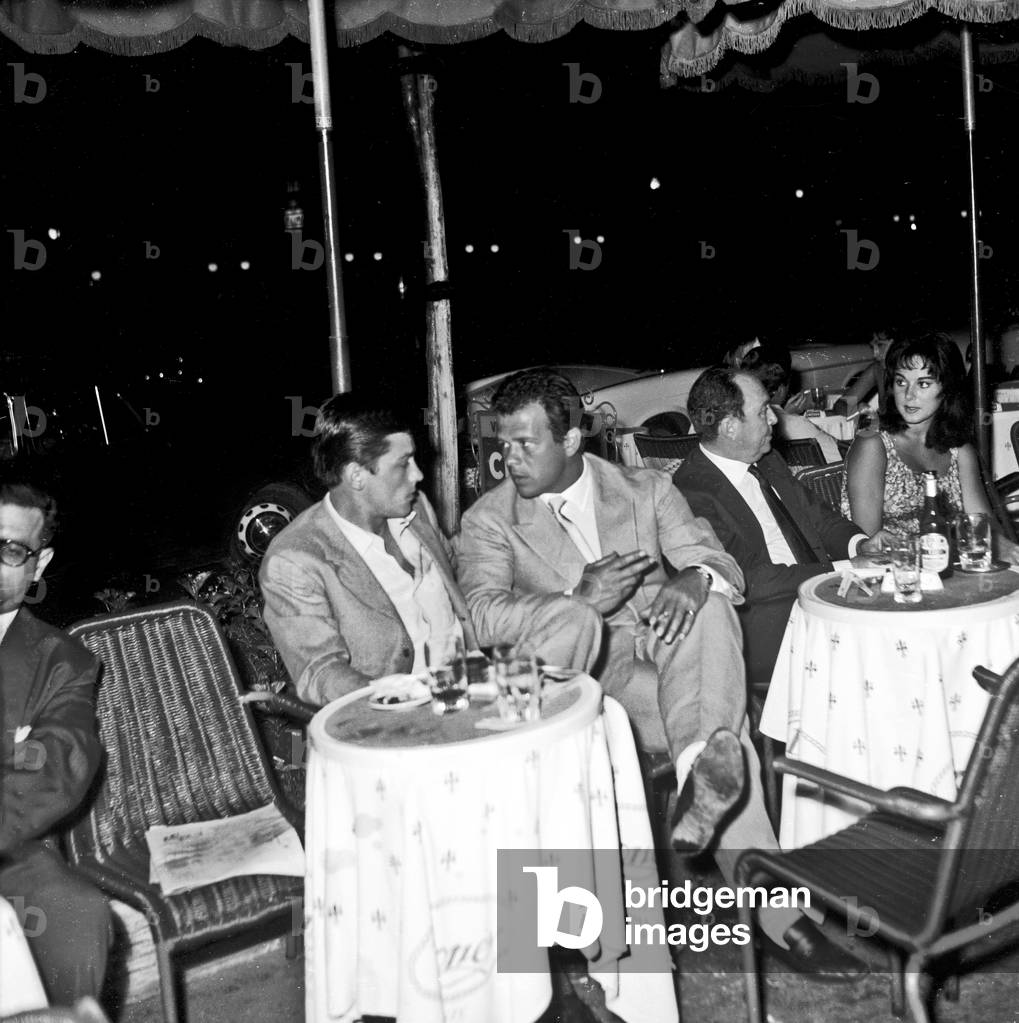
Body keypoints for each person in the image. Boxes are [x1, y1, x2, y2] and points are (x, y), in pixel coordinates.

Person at [457, 368, 864, 976]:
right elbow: (484, 618)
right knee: (728, 739)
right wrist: (577, 595)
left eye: (525, 443)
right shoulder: (489, 520)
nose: (508, 458)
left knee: (712, 604)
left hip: (670, 648)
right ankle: (776, 909)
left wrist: (692, 578)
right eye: (505, 443)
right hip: (592, 673)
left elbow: (717, 558)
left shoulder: (645, 487)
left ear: (570, 441)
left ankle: (701, 763)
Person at [260, 395, 595, 707]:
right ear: (357, 476)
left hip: (472, 671)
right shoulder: (295, 559)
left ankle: (526, 724)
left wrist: (544, 567)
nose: (418, 475)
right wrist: (402, 697)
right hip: (407, 708)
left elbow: (459, 568)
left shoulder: (414, 508)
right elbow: (320, 674)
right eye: (403, 464)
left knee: (577, 615)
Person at [675, 368, 882, 689]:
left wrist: (860, 546)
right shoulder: (692, 492)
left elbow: (821, 519)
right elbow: (749, 578)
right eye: (762, 411)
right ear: (730, 427)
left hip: (817, 595)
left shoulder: (766, 460)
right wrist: (844, 570)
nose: (774, 418)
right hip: (766, 622)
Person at [0, 477, 112, 1006]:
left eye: (10, 549)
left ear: (38, 565)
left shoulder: (61, 661)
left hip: (8, 854)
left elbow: (59, 766)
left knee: (75, 916)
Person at [841, 332, 1018, 563]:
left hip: (953, 571)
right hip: (896, 576)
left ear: (947, 388)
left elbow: (983, 527)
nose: (908, 394)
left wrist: (1007, 549)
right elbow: (869, 543)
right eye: (901, 381)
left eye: (923, 383)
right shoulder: (873, 446)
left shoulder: (959, 452)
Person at [739, 342, 843, 464]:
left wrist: (785, 413)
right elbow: (839, 455)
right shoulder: (796, 424)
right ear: (781, 389)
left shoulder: (742, 420)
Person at [832, 327, 897, 418]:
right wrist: (857, 410)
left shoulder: (911, 375)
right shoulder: (877, 369)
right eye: (873, 346)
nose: (875, 354)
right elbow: (841, 404)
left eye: (880, 346)